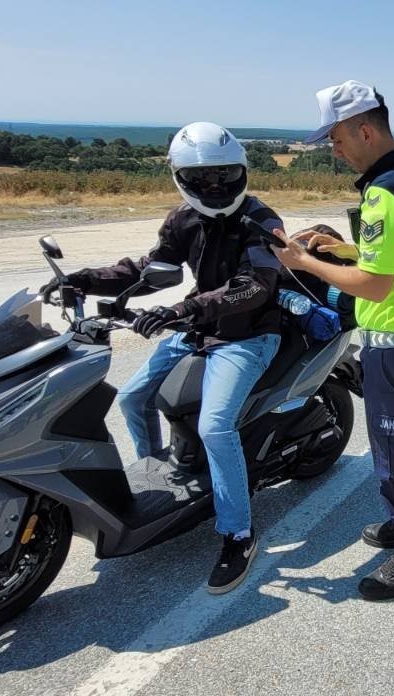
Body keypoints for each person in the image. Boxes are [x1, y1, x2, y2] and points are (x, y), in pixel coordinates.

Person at [40, 122, 284, 594]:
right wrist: (84, 280)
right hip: (197, 325)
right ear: (181, 178)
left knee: (216, 426)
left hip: (249, 335)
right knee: (132, 398)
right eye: (202, 179)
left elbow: (257, 286)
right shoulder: (181, 221)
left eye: (224, 176)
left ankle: (238, 532)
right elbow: (153, 271)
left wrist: (185, 309)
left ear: (242, 173)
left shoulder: (261, 219)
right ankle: (161, 477)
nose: (215, 187)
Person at [275, 81, 394, 601]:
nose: (334, 148)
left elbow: (377, 284)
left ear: (365, 129)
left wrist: (306, 261)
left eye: (335, 138)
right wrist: (346, 248)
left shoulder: (382, 193)